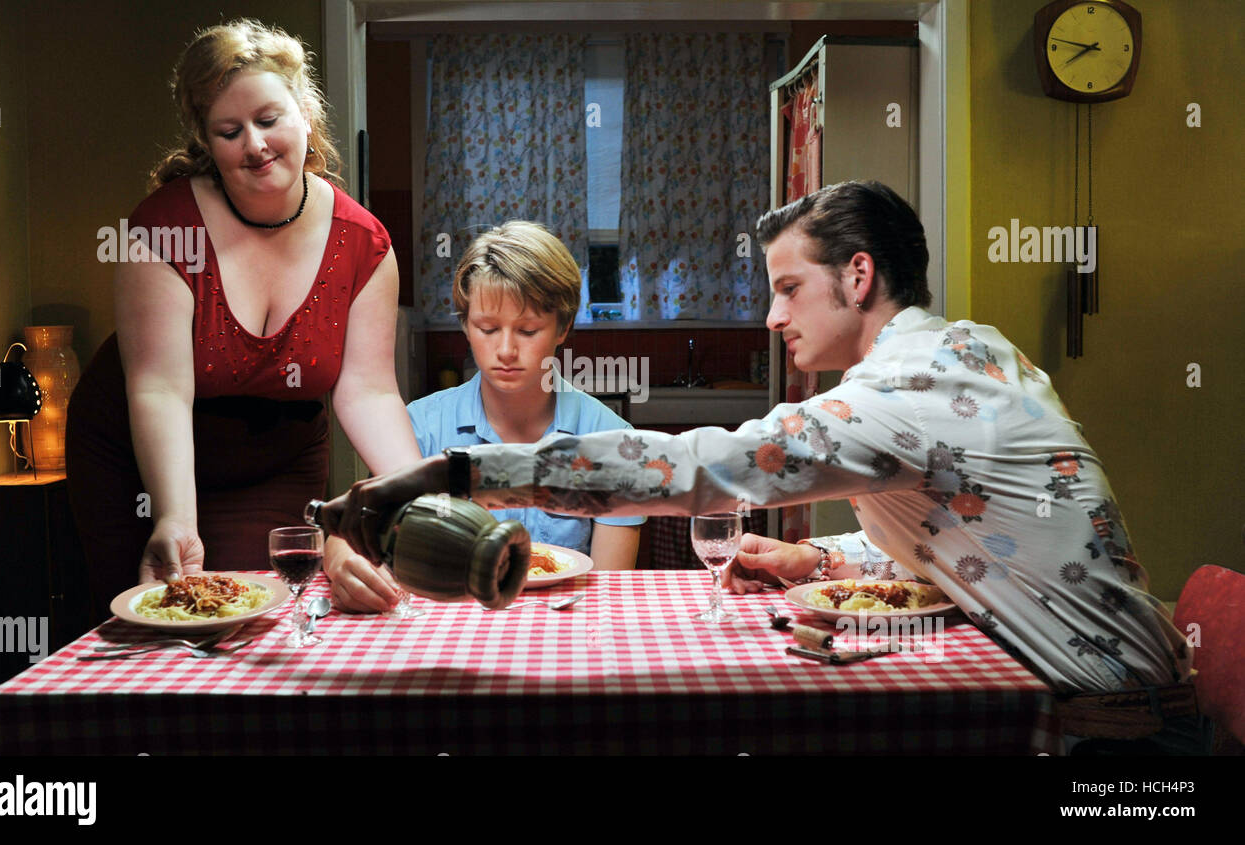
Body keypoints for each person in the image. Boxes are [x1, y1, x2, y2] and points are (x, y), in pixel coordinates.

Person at [323, 181, 1191, 701]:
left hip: (1109, 724)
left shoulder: (905, 392)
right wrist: (815, 563)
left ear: (857, 277)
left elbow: (697, 466)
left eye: (787, 288)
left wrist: (461, 471)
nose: (772, 316)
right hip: (1109, 671)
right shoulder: (967, 348)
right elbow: (968, 531)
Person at [66, 19, 421, 616]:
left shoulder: (364, 244)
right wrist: (176, 517)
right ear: (207, 142)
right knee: (163, 612)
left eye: (268, 119)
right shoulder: (164, 228)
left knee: (268, 609)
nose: (254, 145)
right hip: (137, 449)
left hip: (275, 451)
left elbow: (368, 392)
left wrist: (422, 497)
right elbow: (159, 387)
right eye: (229, 131)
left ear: (306, 112)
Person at [405, 221, 643, 570]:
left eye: (528, 331)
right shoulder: (419, 427)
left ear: (563, 328)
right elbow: (366, 542)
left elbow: (607, 589)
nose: (505, 350)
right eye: (487, 329)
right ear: (465, 326)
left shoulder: (614, 441)